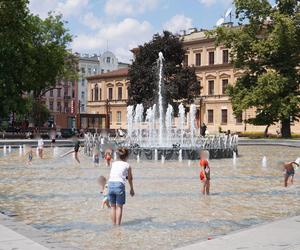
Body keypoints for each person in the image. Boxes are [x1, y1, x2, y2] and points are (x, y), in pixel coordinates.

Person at [108, 147, 134, 225]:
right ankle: (118, 226)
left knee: (112, 207)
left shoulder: (114, 163)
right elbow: (130, 178)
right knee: (119, 207)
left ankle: (113, 225)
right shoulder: (127, 165)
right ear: (127, 156)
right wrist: (132, 189)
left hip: (110, 184)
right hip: (119, 185)